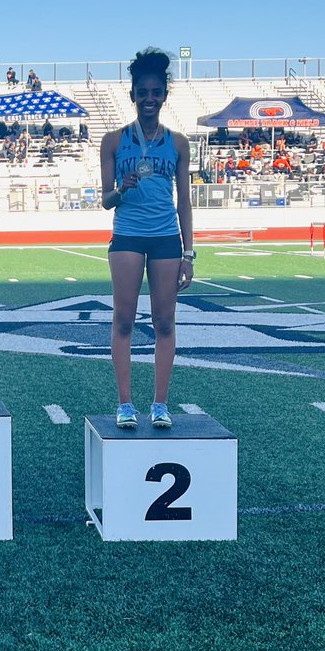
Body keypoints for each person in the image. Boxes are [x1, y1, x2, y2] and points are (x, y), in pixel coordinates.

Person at [100, 48, 194, 430]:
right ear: (133, 95)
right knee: (123, 320)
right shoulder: (113, 141)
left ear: (165, 95)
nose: (150, 99)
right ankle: (125, 403)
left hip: (166, 239)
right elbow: (106, 201)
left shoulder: (179, 143)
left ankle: (159, 403)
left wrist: (189, 252)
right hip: (127, 236)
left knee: (165, 322)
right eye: (143, 92)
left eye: (156, 92)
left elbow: (184, 202)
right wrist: (121, 189)